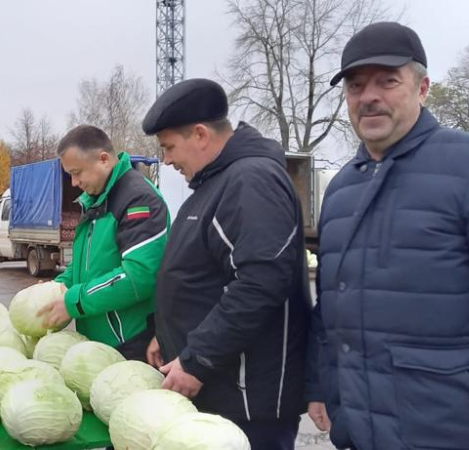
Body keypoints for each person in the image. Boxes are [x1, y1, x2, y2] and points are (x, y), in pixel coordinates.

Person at [305, 21, 469, 449]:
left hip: (449, 428)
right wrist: (318, 382)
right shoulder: (340, 190)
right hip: (359, 426)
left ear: (422, 87)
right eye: (355, 86)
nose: (368, 96)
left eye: (387, 81)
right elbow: (332, 303)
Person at [144, 78, 311, 449]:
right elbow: (202, 275)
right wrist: (167, 333)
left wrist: (198, 359)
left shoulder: (251, 181)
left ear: (200, 134)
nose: (167, 160)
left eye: (169, 147)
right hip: (220, 390)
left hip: (248, 400)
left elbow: (259, 282)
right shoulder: (215, 182)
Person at [37, 125, 169, 361]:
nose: (74, 182)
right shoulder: (95, 200)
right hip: (98, 343)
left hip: (130, 344)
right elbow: (83, 268)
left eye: (77, 172)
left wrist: (75, 301)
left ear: (104, 159)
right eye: (70, 174)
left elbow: (138, 276)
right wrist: (55, 289)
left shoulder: (138, 199)